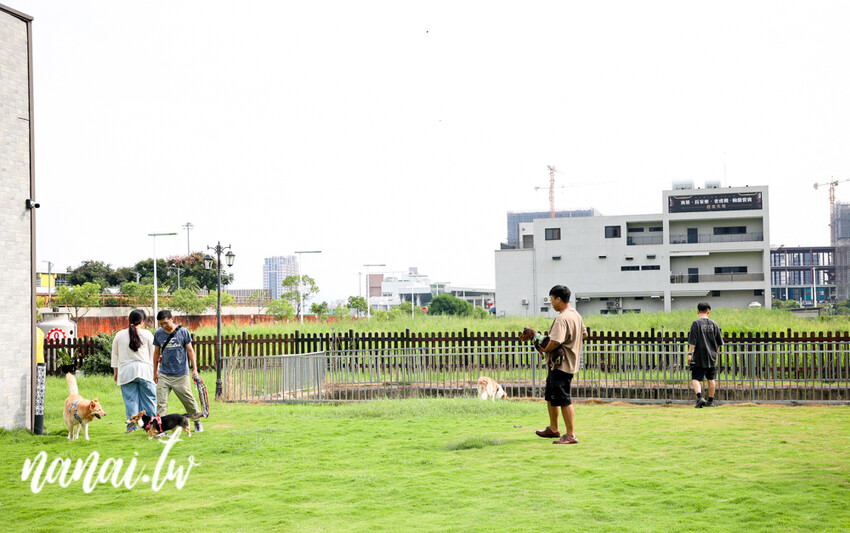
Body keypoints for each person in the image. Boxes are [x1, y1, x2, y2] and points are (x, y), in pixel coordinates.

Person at [534, 285, 588, 445]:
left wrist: (544, 348)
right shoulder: (576, 315)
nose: (551, 303)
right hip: (566, 363)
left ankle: (570, 435)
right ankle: (553, 429)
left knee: (564, 399)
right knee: (551, 396)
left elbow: (555, 341)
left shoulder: (562, 318)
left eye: (551, 299)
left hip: (562, 364)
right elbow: (584, 334)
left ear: (558, 299)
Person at [153, 310, 204, 432]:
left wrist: (195, 369)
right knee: (161, 403)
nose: (163, 326)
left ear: (172, 319)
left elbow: (190, 350)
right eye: (161, 324)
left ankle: (197, 422)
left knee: (188, 400)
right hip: (164, 374)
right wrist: (155, 371)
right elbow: (156, 352)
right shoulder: (159, 334)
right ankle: (161, 428)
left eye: (165, 323)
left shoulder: (183, 332)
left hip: (181, 374)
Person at [111, 309, 157, 433]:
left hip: (126, 372)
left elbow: (115, 355)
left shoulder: (120, 335)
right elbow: (153, 354)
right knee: (150, 400)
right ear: (142, 321)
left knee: (131, 401)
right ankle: (153, 425)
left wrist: (115, 371)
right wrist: (155, 371)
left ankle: (131, 427)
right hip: (145, 371)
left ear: (129, 320)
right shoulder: (147, 334)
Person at [687, 302, 723, 408]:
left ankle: (700, 398)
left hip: (699, 356)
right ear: (708, 312)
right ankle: (710, 401)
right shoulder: (714, 324)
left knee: (695, 378)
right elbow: (719, 342)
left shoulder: (696, 324)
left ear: (697, 311)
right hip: (711, 356)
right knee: (711, 378)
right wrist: (714, 351)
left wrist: (689, 353)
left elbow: (692, 341)